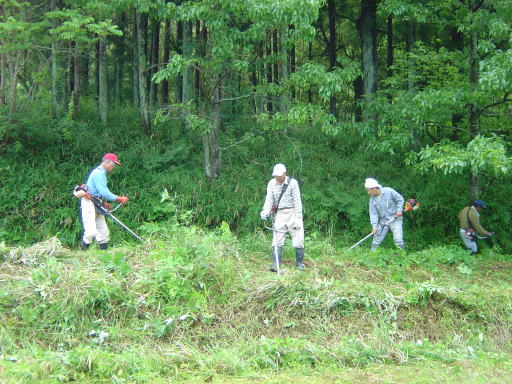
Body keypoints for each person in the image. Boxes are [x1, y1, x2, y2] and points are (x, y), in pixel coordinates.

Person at [80, 153, 129, 250]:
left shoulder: (101, 173)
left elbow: (97, 192)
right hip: (89, 202)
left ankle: (104, 254)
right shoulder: (98, 173)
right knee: (90, 232)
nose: (113, 167)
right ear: (106, 162)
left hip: (96, 202)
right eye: (113, 165)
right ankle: (82, 252)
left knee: (103, 231)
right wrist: (120, 198)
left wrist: (104, 203)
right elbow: (104, 192)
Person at [260, 163, 305, 271]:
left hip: (292, 212)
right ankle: (276, 265)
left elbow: (297, 201)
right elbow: (269, 199)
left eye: (279, 175)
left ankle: (299, 263)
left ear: (284, 174)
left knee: (298, 239)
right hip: (280, 213)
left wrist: (299, 218)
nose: (277, 177)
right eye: (275, 175)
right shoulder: (271, 184)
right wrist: (265, 211)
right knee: (277, 239)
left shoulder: (293, 183)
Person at [365, 178, 405, 250]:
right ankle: (372, 254)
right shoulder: (372, 199)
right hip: (384, 221)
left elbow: (400, 199)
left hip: (395, 218)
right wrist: (374, 226)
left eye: (368, 190)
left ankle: (402, 255)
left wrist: (399, 211)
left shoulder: (388, 191)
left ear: (374, 188)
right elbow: (373, 214)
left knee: (398, 238)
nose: (368, 192)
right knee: (376, 238)